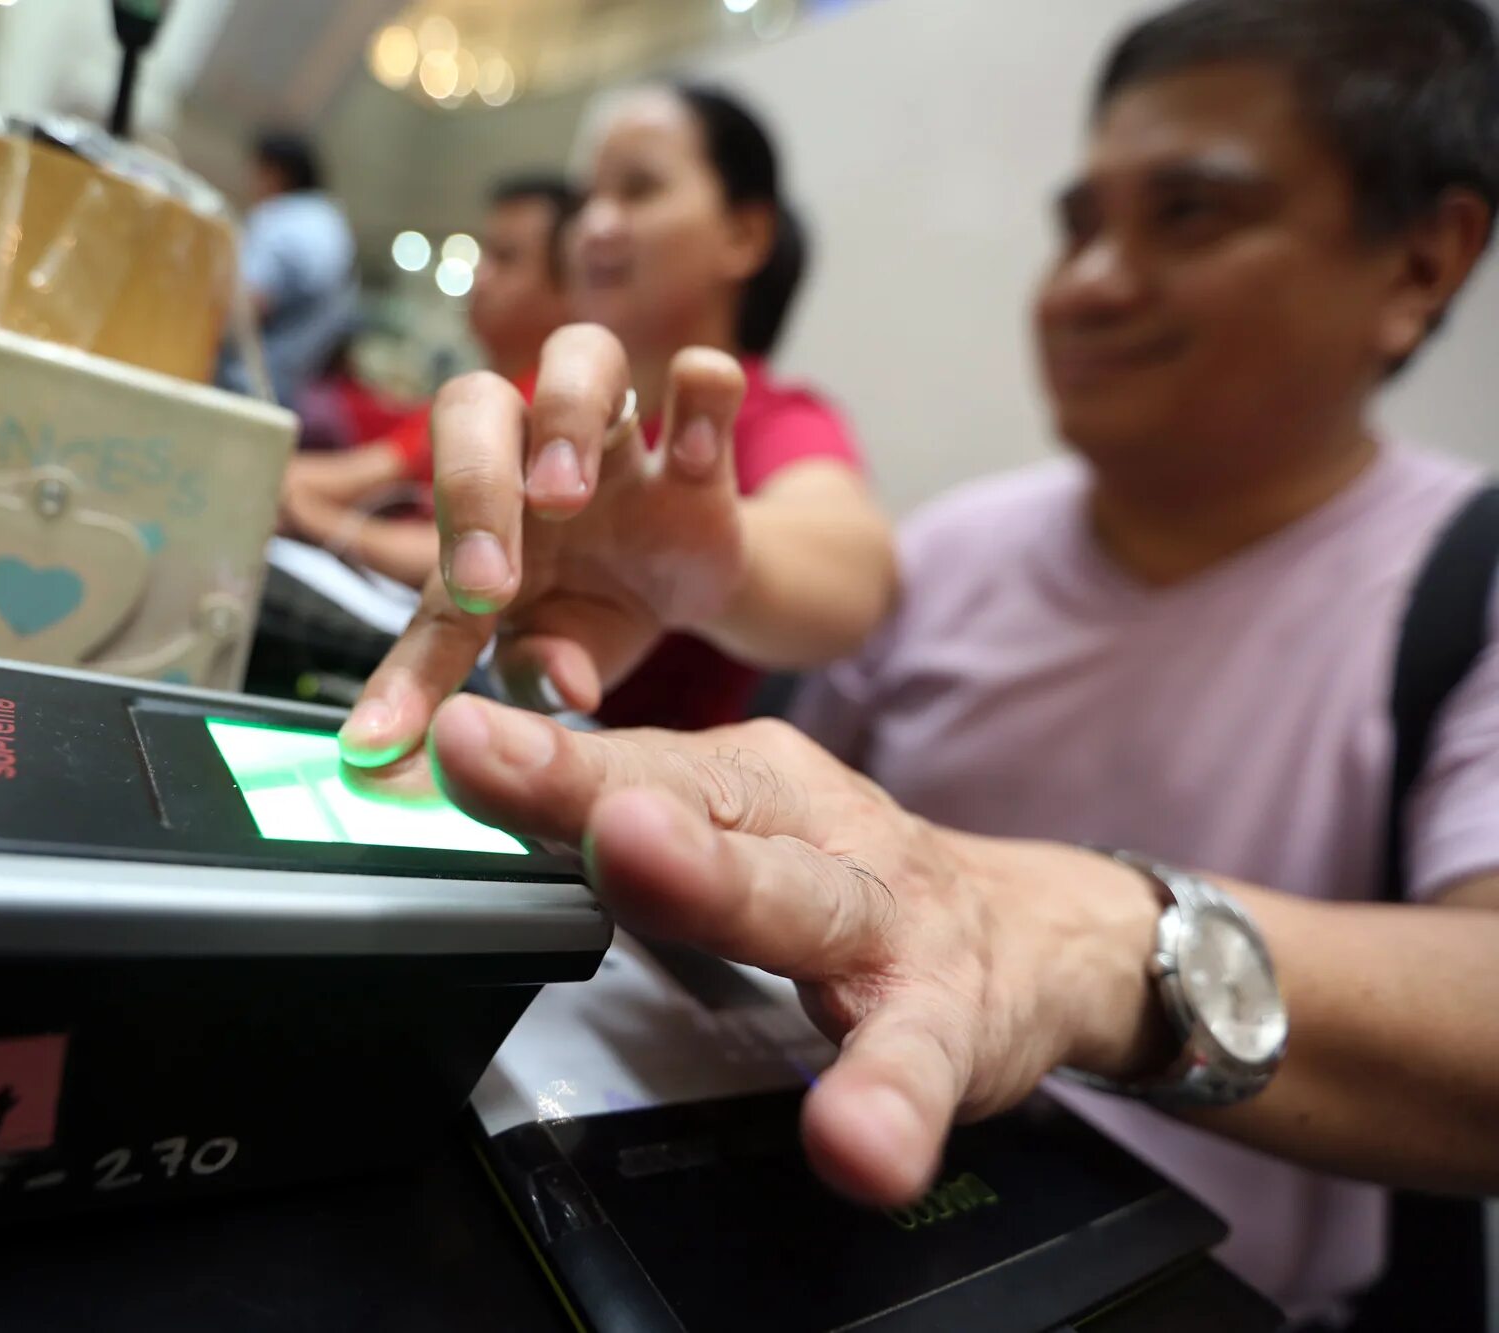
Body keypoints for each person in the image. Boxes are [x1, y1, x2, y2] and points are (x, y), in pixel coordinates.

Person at [353, 0, 1499, 1323]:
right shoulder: (958, 547)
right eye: (1078, 224)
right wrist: (710, 579)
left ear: (1421, 262)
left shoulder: (1463, 584)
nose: (1088, 281)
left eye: (1189, 214)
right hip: (806, 1230)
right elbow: (823, 591)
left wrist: (1091, 941)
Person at [338, 84, 896, 757]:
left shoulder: (777, 414)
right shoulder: (557, 400)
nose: (595, 225)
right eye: (585, 201)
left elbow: (856, 571)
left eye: (638, 190)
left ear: (743, 235)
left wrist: (707, 559)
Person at [280, 174, 580, 588]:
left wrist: (313, 515)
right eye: (484, 255)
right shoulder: (480, 394)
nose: (480, 276)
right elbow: (360, 473)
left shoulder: (556, 411)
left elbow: (468, 557)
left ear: (572, 289)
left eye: (505, 258)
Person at [219, 130, 357, 411]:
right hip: (288, 388)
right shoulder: (332, 225)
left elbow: (249, 303)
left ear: (276, 172)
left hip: (241, 385)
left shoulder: (281, 221)